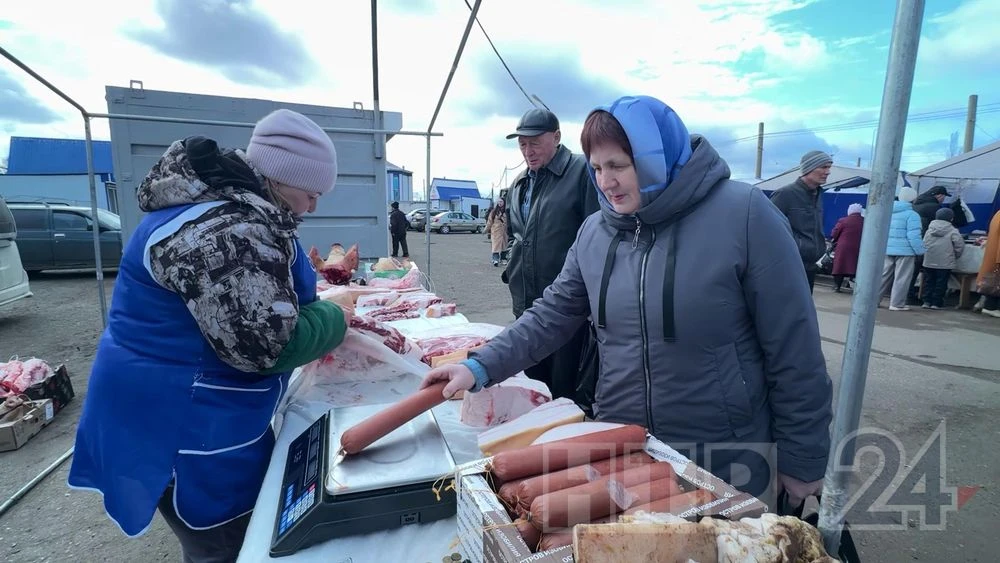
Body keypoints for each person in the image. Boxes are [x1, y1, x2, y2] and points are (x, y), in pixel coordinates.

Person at [423, 96, 832, 505]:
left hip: (723, 453)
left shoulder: (743, 215)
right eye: (597, 168)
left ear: (656, 157)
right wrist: (479, 366)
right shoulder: (596, 233)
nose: (605, 181)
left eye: (618, 165)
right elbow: (552, 314)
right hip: (625, 447)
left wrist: (802, 458)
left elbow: (793, 346)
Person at [68, 109, 350, 562]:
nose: (313, 206)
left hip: (196, 410)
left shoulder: (236, 210)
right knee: (228, 547)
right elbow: (266, 345)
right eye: (311, 193)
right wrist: (336, 319)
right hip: (186, 426)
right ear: (278, 177)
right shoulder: (223, 230)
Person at [500, 108, 600, 401]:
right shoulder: (519, 183)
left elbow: (597, 237)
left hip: (567, 310)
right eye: (522, 143)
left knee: (565, 394)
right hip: (526, 304)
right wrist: (511, 271)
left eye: (534, 142)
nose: (527, 150)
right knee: (532, 389)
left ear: (556, 137)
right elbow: (520, 235)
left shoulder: (583, 172)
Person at [770, 151, 831, 293]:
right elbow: (768, 230)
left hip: (810, 266)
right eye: (823, 167)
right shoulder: (785, 194)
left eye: (829, 168)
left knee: (803, 312)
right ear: (809, 168)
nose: (827, 172)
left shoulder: (818, 194)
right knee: (787, 311)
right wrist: (797, 246)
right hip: (788, 267)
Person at [880, 187, 925, 311]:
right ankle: (896, 303)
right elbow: (914, 235)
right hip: (906, 251)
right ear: (913, 199)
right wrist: (920, 251)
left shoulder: (889, 212)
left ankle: (874, 300)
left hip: (888, 249)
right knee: (902, 278)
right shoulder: (912, 215)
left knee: (883, 276)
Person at [908, 185, 950, 303]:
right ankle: (914, 296)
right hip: (923, 241)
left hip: (910, 241)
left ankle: (907, 294)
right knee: (922, 271)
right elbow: (938, 227)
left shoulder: (916, 204)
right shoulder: (934, 207)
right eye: (944, 197)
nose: (943, 200)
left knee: (909, 270)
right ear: (939, 195)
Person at [921, 207, 964, 309]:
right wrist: (955, 256)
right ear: (951, 219)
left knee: (929, 281)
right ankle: (936, 303)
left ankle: (926, 301)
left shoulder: (929, 230)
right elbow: (959, 245)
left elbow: (924, 244)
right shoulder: (953, 231)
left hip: (929, 260)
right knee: (941, 283)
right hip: (945, 262)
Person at [830, 203, 864, 292]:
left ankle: (837, 286)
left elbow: (834, 233)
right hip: (860, 247)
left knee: (840, 267)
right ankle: (853, 285)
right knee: (855, 267)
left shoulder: (843, 220)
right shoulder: (865, 221)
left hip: (843, 248)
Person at [977, 209, 1000, 318]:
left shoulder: (998, 214)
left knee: (993, 282)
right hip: (997, 255)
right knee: (996, 283)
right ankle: (990, 307)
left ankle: (988, 306)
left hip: (994, 254)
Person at [485, 198, 509, 266]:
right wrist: (486, 230)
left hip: (504, 232)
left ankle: (503, 259)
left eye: (501, 201)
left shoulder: (506, 211)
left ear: (504, 202)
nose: (500, 203)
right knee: (495, 246)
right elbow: (489, 222)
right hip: (496, 232)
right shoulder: (494, 212)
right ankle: (495, 259)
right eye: (498, 202)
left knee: (504, 246)